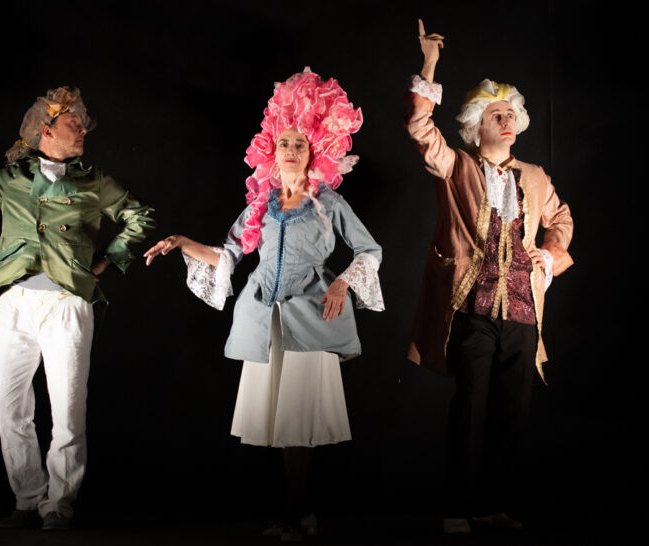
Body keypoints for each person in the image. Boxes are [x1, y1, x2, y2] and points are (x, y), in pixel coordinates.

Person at [144, 68, 384, 541]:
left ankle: (296, 514)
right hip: (264, 318)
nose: (290, 150)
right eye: (284, 143)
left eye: (299, 144)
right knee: (280, 421)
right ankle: (298, 513)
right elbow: (228, 253)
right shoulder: (261, 203)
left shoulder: (328, 202)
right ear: (271, 149)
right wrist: (182, 242)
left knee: (298, 420)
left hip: (310, 317)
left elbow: (370, 250)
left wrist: (342, 284)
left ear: (314, 150)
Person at [0, 88, 155, 531]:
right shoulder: (12, 179)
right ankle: (28, 497)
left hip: (67, 304)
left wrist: (108, 260)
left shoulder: (94, 181)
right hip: (13, 302)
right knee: (5, 406)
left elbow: (140, 216)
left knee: (68, 409)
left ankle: (59, 505)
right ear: (46, 130)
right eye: (74, 123)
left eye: (83, 124)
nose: (83, 130)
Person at [404, 20, 574, 534]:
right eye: (495, 114)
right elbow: (420, 129)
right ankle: (458, 507)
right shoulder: (456, 166)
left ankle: (494, 504)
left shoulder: (536, 177)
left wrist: (549, 255)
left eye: (510, 113)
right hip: (472, 306)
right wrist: (430, 64)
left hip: (523, 310)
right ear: (477, 125)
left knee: (512, 412)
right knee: (470, 407)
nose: (506, 119)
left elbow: (561, 219)